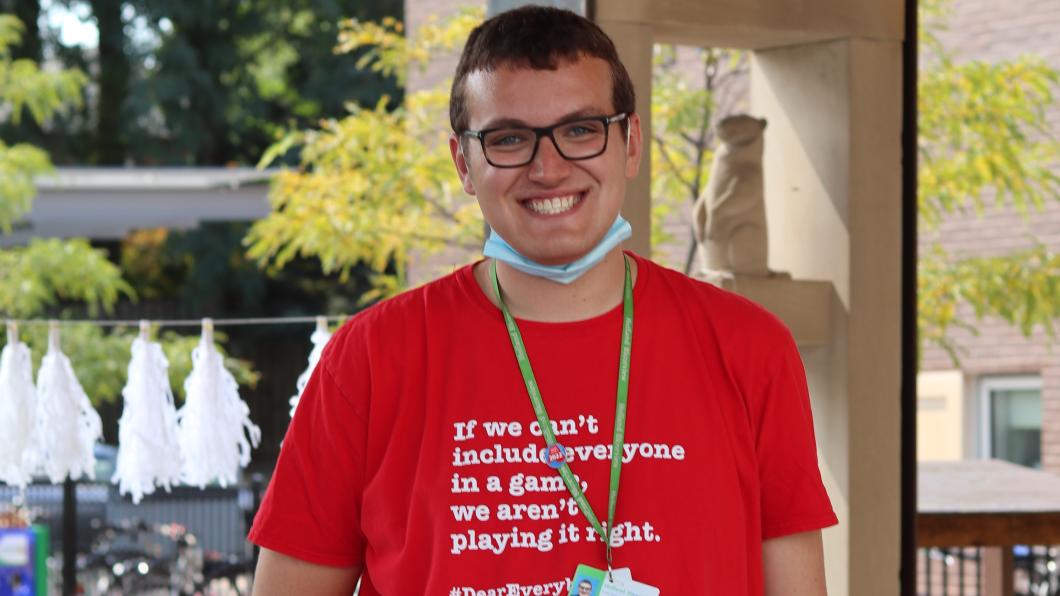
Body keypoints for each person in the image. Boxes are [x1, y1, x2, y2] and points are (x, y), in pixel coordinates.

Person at [248, 6, 837, 595]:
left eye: (581, 129)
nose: (548, 168)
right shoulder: (370, 358)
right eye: (509, 139)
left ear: (630, 143)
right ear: (464, 163)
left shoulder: (750, 348)